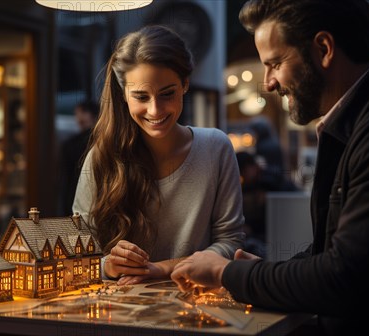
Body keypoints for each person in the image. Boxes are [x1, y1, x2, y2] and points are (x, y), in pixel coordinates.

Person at [171, 0, 369, 335]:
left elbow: (345, 279)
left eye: (275, 63)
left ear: (323, 48)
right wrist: (263, 273)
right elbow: (331, 254)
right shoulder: (368, 120)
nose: (270, 83)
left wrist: (224, 273)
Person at [73, 25, 245, 286]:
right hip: (119, 315)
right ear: (123, 96)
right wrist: (108, 264)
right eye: (141, 96)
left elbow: (231, 243)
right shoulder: (101, 158)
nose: (155, 110)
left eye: (167, 94)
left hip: (196, 308)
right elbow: (77, 254)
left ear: (185, 84)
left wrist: (161, 269)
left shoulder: (215, 148)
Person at [60, 100, 99, 214]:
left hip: (77, 193)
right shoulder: (106, 141)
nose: (78, 118)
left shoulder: (71, 144)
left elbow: (66, 178)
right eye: (77, 114)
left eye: (81, 113)